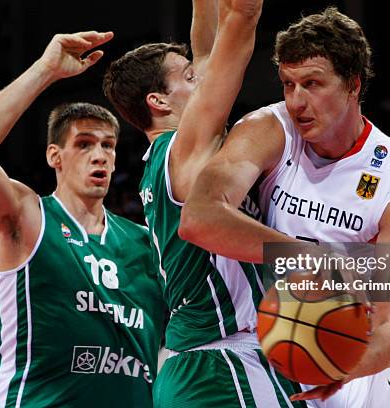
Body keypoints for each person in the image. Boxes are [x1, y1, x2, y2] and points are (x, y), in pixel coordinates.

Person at [181, 6, 390, 407]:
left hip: (352, 360)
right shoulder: (269, 130)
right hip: (273, 347)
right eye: (288, 84)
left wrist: (343, 367)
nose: (297, 101)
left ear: (353, 84)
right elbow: (198, 218)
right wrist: (317, 260)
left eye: (312, 83)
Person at [104, 1, 306, 406]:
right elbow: (243, 16)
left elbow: (207, 47)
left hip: (204, 364)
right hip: (221, 365)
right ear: (159, 102)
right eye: (191, 77)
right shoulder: (183, 148)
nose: (206, 75)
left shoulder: (173, 158)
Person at [0, 30, 165, 407]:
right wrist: (45, 70)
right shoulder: (28, 216)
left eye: (108, 146)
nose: (99, 156)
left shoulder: (147, 242)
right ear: (54, 156)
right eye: (84, 144)